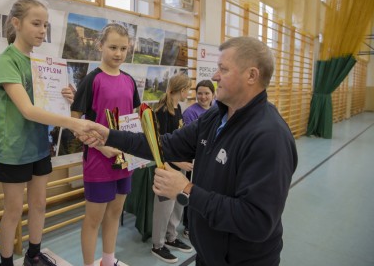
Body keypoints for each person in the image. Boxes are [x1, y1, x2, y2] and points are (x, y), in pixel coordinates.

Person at [81, 36, 298, 266]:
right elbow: (165, 144)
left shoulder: (269, 137)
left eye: (223, 70)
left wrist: (186, 190)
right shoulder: (216, 116)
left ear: (252, 75)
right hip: (207, 255)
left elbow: (256, 221)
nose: (215, 77)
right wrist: (109, 135)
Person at [0, 0, 93, 266]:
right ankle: (6, 262)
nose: (42, 30)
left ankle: (33, 254)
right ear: (16, 23)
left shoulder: (40, 63)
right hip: (13, 149)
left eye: (45, 25)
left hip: (38, 145)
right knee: (13, 211)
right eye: (36, 23)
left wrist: (65, 98)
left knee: (39, 204)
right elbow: (27, 109)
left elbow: (46, 104)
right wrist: (72, 123)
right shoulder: (6, 61)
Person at [70, 23, 140, 266]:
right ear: (100, 46)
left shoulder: (130, 81)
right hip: (99, 161)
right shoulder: (92, 80)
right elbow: (75, 123)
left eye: (123, 48)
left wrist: (133, 151)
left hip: (124, 160)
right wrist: (101, 146)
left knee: (115, 213)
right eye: (112, 47)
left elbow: (132, 120)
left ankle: (108, 260)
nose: (118, 53)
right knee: (93, 219)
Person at [150, 72, 193, 264]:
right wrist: (179, 163)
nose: (189, 93)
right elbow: (161, 147)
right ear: (182, 90)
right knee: (164, 208)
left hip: (180, 166)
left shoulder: (178, 108)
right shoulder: (162, 111)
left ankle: (171, 237)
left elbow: (179, 140)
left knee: (178, 205)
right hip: (167, 167)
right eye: (188, 89)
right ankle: (158, 245)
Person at [180, 79, 217, 240]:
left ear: (213, 95)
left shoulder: (217, 109)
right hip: (195, 159)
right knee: (192, 191)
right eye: (199, 93)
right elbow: (190, 139)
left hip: (212, 158)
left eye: (206, 93)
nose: (203, 97)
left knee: (207, 191)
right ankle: (189, 225)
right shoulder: (190, 113)